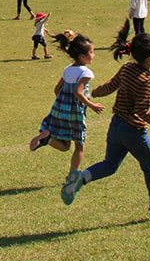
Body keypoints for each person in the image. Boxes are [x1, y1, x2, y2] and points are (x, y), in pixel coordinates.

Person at [60, 22, 150, 219]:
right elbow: (142, 110)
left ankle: (81, 178)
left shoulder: (126, 69)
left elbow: (111, 85)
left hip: (116, 126)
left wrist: (95, 93)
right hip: (133, 131)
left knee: (110, 164)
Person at [29, 31, 104, 184]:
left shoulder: (68, 69)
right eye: (92, 52)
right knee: (80, 146)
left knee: (65, 146)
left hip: (60, 110)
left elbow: (57, 89)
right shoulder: (86, 73)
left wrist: (63, 104)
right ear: (82, 56)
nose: (94, 55)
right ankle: (72, 177)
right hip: (75, 113)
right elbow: (78, 92)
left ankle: (48, 139)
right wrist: (92, 105)